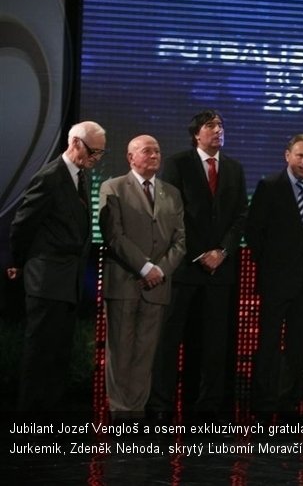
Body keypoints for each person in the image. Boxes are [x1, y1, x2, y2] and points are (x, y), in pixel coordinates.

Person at [148, 110, 248, 423]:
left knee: (214, 344)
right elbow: (172, 215)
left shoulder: (234, 168)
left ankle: (207, 409)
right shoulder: (178, 164)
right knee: (170, 340)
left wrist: (223, 251)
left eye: (221, 125)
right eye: (211, 126)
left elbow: (240, 216)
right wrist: (199, 253)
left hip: (220, 271)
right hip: (185, 269)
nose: (218, 130)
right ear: (196, 134)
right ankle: (161, 405)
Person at [7, 121, 107, 413]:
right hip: (47, 278)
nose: (96, 159)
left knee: (59, 352)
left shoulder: (79, 176)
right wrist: (20, 262)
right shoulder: (50, 177)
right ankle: (31, 417)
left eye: (100, 154)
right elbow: (22, 224)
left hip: (67, 279)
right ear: (75, 143)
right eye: (93, 152)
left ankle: (49, 414)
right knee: (41, 352)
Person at [246, 133, 303, 421]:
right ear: (288, 155)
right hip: (275, 281)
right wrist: (271, 265)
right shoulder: (269, 186)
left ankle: (289, 400)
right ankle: (264, 401)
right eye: (300, 155)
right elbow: (254, 232)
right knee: (269, 344)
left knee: (298, 345)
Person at [99, 135, 185, 422]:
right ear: (130, 157)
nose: (154, 155)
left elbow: (180, 241)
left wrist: (160, 270)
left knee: (145, 354)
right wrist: (145, 267)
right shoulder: (113, 187)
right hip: (125, 281)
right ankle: (121, 412)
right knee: (121, 352)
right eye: (147, 151)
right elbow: (114, 235)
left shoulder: (171, 193)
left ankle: (136, 412)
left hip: (158, 285)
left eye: (158, 151)